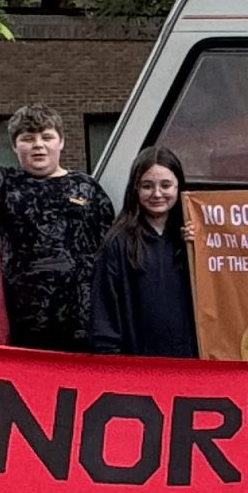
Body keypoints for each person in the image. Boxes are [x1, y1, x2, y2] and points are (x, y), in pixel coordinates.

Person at [0, 105, 111, 351]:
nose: (38, 144)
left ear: (62, 142)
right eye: (27, 138)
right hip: (23, 319)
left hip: (82, 318)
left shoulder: (87, 188)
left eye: (47, 137)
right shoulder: (1, 185)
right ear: (14, 146)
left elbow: (113, 244)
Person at [88, 148, 198, 358]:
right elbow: (104, 310)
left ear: (179, 186)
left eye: (166, 185)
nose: (157, 194)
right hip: (138, 367)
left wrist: (200, 250)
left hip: (190, 363)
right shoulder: (117, 243)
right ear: (135, 189)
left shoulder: (193, 238)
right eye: (147, 186)